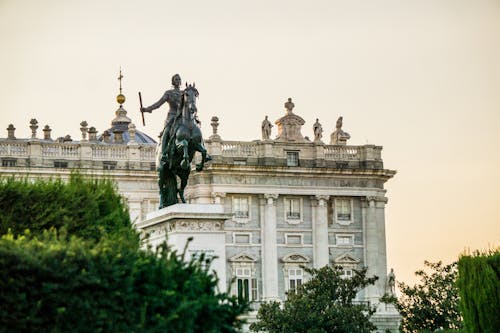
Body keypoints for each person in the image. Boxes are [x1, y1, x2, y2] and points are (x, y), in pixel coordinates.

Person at [141, 74, 183, 162]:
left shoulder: (184, 93)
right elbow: (158, 104)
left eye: (179, 79)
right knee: (166, 131)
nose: (177, 81)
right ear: (173, 81)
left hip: (182, 116)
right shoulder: (169, 93)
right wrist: (147, 109)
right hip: (172, 116)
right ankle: (163, 153)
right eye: (176, 79)